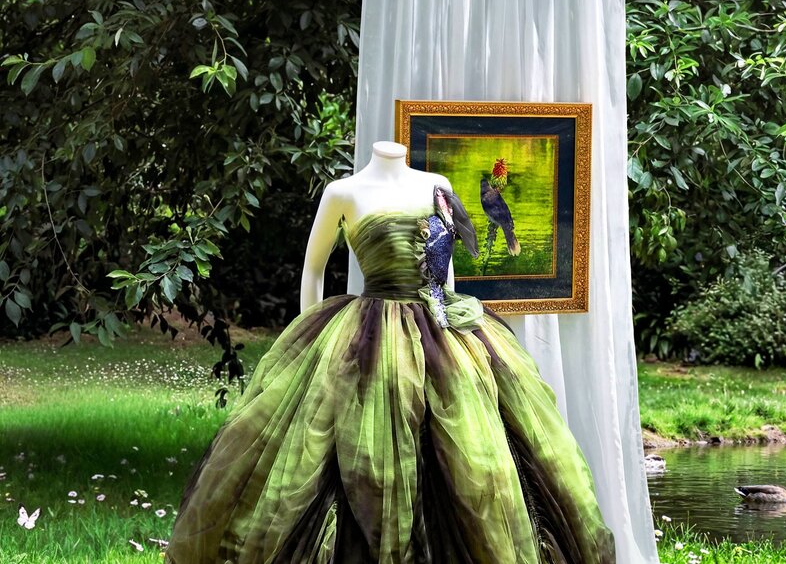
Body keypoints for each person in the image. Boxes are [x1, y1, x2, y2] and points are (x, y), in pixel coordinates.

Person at [164, 141, 615, 563]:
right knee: (355, 455)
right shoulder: (343, 192)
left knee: (477, 457)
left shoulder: (438, 187)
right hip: (368, 331)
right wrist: (314, 341)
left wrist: (451, 322)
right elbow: (312, 268)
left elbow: (446, 269)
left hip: (437, 324)